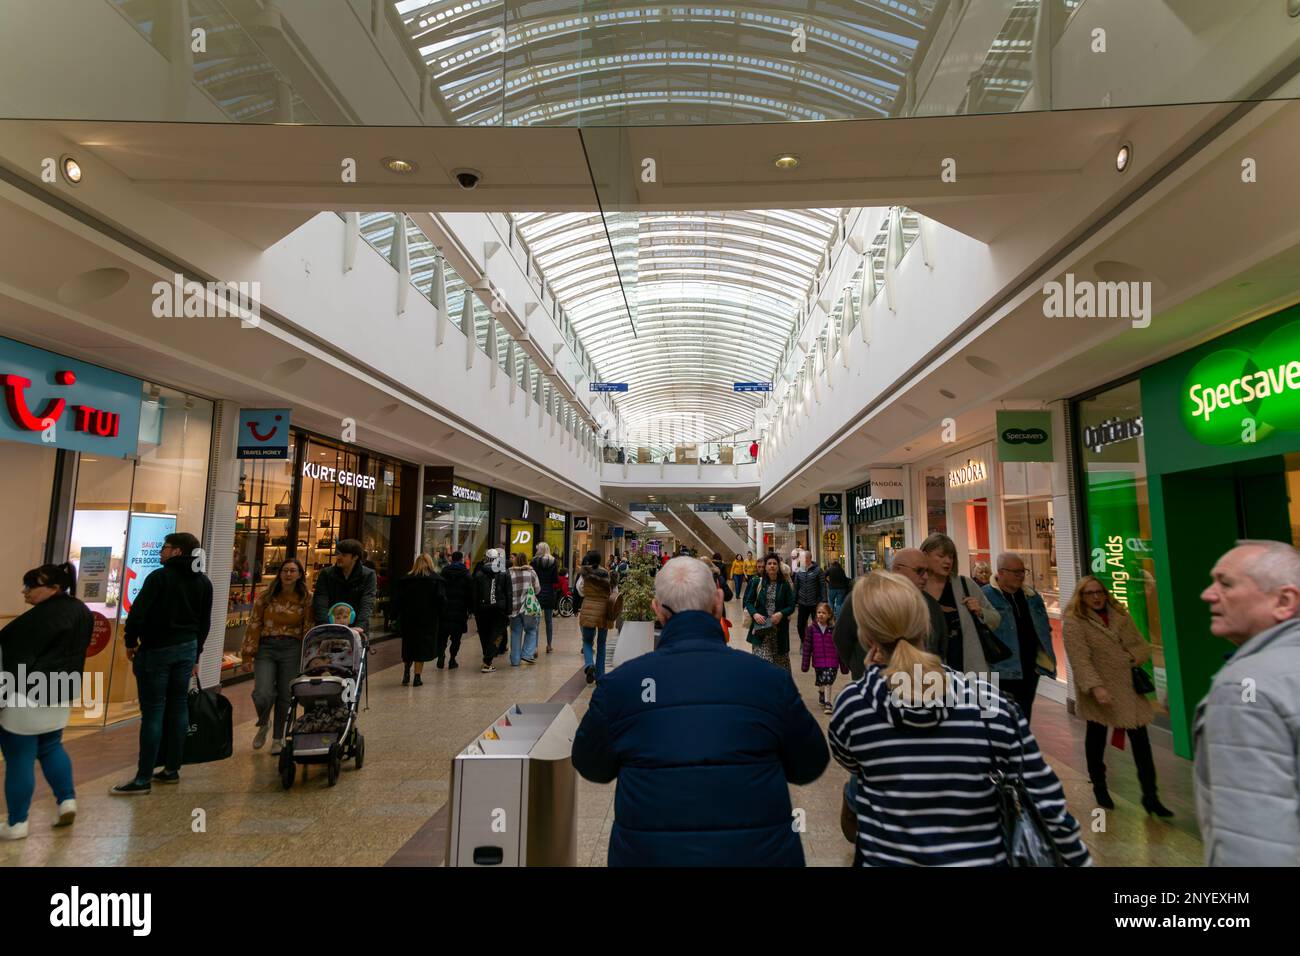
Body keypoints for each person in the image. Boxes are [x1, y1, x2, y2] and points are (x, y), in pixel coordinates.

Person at [571, 556, 829, 865]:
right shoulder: (770, 681)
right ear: (719, 601)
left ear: (656, 609)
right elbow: (810, 763)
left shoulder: (620, 687)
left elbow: (591, 765)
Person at [830, 571, 1090, 867]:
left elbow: (851, 761)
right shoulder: (990, 704)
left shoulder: (853, 705)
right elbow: (1046, 803)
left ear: (866, 637)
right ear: (927, 625)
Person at [1196, 541, 1300, 865]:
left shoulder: (1247, 688)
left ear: (1284, 601)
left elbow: (1255, 840)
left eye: (1225, 583)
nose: (1207, 594)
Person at [112, 532, 213, 795]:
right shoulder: (203, 582)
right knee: (178, 705)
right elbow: (205, 622)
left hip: (158, 649)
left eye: (165, 547)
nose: (161, 551)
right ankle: (171, 768)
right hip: (187, 649)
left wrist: (130, 641)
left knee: (154, 710)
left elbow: (138, 613)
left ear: (178, 552)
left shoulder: (159, 578)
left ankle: (143, 777)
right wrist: (197, 654)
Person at [1062, 575, 1170, 816]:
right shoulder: (1074, 622)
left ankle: (1151, 796)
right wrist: (1095, 687)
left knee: (1141, 742)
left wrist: (1131, 658)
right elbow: (1080, 660)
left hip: (1128, 687)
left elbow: (1141, 645)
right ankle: (1100, 787)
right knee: (1097, 737)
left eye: (1100, 591)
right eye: (1090, 593)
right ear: (1081, 596)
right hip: (1099, 688)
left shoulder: (1120, 615)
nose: (1097, 597)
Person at [0, 563, 92, 839]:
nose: (25, 591)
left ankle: (17, 823)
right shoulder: (81, 611)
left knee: (19, 758)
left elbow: (13, 659)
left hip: (25, 695)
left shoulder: (36, 619)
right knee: (51, 746)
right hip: (61, 691)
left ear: (53, 588)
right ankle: (67, 800)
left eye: (31, 586)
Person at [835, 548, 946, 679]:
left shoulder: (930, 605)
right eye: (919, 571)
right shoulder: (862, 598)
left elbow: (941, 647)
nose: (926, 577)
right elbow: (841, 638)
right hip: (874, 681)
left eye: (927, 571)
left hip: (921, 685)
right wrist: (858, 666)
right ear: (897, 569)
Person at [242, 558, 310, 755]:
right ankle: (264, 721)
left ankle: (278, 738)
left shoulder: (306, 599)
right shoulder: (266, 597)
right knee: (262, 692)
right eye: (285, 570)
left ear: (299, 575)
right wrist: (247, 654)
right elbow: (254, 625)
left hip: (292, 649)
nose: (288, 574)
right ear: (279, 574)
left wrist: (307, 657)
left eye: (293, 571)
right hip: (267, 648)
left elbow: (308, 628)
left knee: (285, 696)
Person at [982, 552, 1057, 723]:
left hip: (1029, 669)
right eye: (1016, 572)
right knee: (996, 720)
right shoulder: (985, 595)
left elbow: (1044, 628)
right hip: (999, 671)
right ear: (1001, 573)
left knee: (1023, 717)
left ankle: (1021, 748)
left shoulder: (1032, 596)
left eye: (1023, 571)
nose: (1021, 576)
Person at [920, 533, 1000, 674]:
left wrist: (980, 611)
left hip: (966, 669)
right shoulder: (916, 586)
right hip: (926, 670)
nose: (947, 561)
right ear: (925, 555)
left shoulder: (965, 585)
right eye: (941, 556)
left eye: (951, 557)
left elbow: (995, 618)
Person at [393, 554, 444, 687]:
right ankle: (417, 677)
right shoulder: (436, 581)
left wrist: (393, 616)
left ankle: (406, 672)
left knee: (409, 646)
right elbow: (441, 601)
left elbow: (398, 601)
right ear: (430, 563)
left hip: (409, 619)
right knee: (421, 648)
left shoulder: (406, 580)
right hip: (428, 619)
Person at [311, 540, 377, 634]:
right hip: (329, 625)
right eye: (337, 554)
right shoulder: (326, 574)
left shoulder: (368, 575)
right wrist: (325, 624)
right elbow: (321, 600)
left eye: (344, 555)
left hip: (356, 627)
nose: (338, 557)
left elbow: (367, 601)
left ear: (355, 557)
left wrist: (360, 626)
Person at [745, 554, 796, 671]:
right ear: (765, 567)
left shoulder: (784, 585)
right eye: (769, 563)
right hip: (761, 629)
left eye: (774, 563)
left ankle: (780, 688)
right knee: (764, 664)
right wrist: (755, 614)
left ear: (778, 566)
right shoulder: (757, 582)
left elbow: (791, 606)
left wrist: (781, 614)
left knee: (781, 666)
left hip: (779, 631)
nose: (772, 566)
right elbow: (748, 602)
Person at [576, 550, 618, 683]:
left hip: (588, 608)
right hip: (603, 612)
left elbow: (580, 590)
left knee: (587, 641)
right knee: (602, 643)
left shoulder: (585, 573)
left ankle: (589, 665)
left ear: (588, 560)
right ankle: (600, 675)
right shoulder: (607, 573)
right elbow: (614, 592)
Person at [802, 602, 845, 715]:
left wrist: (844, 664)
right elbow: (807, 646)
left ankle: (828, 703)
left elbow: (840, 646)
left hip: (832, 660)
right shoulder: (811, 628)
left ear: (829, 615)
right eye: (819, 612)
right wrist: (805, 663)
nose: (820, 615)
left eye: (824, 613)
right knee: (821, 680)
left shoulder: (834, 629)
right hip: (818, 661)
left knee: (828, 680)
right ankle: (821, 693)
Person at [471, 549, 510, 674]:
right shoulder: (503, 573)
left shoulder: (478, 574)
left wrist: (473, 610)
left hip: (482, 609)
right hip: (499, 609)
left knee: (484, 633)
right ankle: (488, 659)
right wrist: (509, 609)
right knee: (498, 633)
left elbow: (474, 594)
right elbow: (508, 593)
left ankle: (486, 656)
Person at [437, 551, 474, 669]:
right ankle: (452, 659)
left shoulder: (444, 572)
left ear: (451, 559)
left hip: (445, 609)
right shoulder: (466, 574)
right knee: (456, 637)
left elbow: (439, 590)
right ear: (462, 559)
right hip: (460, 610)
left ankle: (441, 655)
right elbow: (470, 593)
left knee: (442, 635)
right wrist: (470, 609)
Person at [507, 552, 542, 666]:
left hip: (514, 607)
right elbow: (537, 590)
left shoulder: (509, 573)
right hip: (528, 608)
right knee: (531, 630)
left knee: (516, 632)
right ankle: (527, 654)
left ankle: (515, 660)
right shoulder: (532, 573)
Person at [531, 543, 560, 654]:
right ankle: (549, 645)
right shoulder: (554, 562)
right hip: (549, 593)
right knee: (549, 621)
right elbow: (555, 580)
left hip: (537, 592)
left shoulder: (534, 562)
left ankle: (535, 647)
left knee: (536, 621)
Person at [793, 553, 827, 644]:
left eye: (805, 558)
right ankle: (804, 642)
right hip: (802, 603)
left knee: (817, 625)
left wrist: (824, 601)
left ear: (809, 558)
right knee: (800, 625)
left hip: (815, 603)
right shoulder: (799, 571)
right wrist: (793, 602)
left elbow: (822, 586)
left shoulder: (818, 570)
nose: (803, 560)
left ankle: (817, 643)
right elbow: (796, 587)